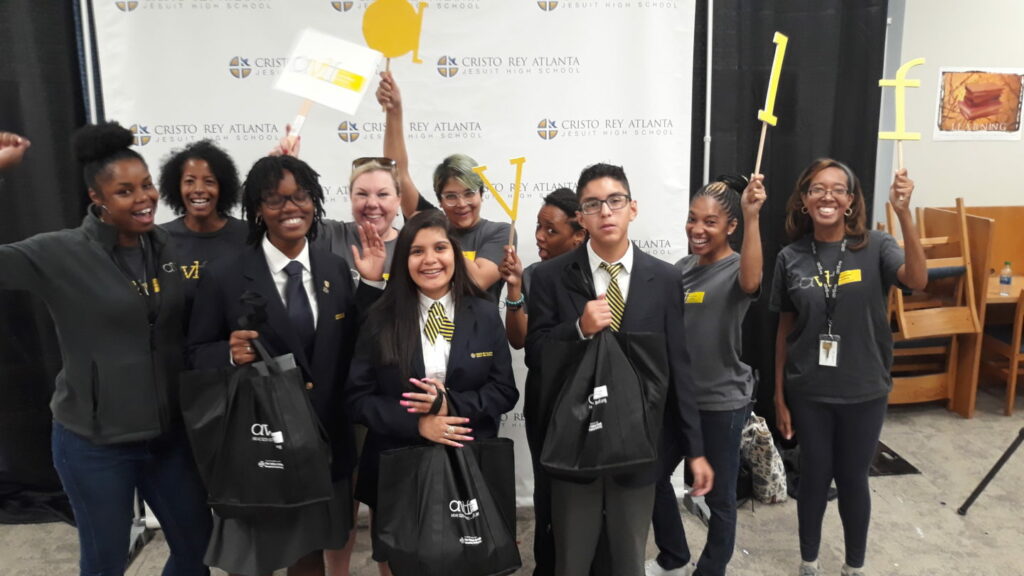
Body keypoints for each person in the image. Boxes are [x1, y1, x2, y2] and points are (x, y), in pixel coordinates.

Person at [0, 122, 211, 576]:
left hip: (166, 438)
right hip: (94, 444)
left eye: (147, 185)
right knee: (104, 564)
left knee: (197, 550)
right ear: (97, 199)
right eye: (124, 191)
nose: (144, 198)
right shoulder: (60, 254)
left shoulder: (165, 244)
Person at [187, 154, 386, 576]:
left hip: (324, 438)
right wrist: (227, 352)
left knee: (310, 553)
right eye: (275, 200)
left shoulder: (334, 267)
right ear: (258, 209)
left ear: (315, 201)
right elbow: (194, 353)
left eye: (300, 197)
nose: (291, 208)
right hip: (261, 443)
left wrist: (369, 283)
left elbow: (354, 346)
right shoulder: (225, 276)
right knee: (258, 555)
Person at [525, 163, 713, 576]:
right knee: (571, 560)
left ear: (633, 208)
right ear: (581, 217)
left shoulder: (663, 279)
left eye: (615, 201)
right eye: (593, 204)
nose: (605, 212)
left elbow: (678, 366)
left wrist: (695, 450)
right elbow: (534, 354)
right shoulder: (549, 277)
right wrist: (576, 329)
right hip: (575, 446)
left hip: (638, 446)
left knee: (628, 559)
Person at [770, 160, 926, 576]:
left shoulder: (876, 245)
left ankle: (854, 566)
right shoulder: (790, 257)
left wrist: (905, 214)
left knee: (854, 478)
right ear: (804, 200)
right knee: (815, 475)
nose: (828, 196)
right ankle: (809, 561)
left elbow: (917, 279)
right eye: (818, 189)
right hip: (809, 389)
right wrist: (779, 395)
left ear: (851, 201)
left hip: (864, 387)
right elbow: (785, 328)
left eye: (838, 189)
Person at [347, 209, 519, 575]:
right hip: (399, 468)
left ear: (454, 254)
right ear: (403, 258)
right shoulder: (380, 317)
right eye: (416, 251)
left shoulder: (485, 314)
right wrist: (418, 424)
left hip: (470, 463)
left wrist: (449, 404)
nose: (430, 260)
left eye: (440, 248)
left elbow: (505, 391)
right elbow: (357, 399)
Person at [646, 174, 766, 576]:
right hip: (678, 401)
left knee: (720, 499)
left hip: (721, 404)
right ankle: (674, 557)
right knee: (652, 477)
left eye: (710, 222)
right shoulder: (681, 268)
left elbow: (752, 281)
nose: (697, 229)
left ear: (730, 227)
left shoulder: (736, 268)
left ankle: (710, 570)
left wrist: (752, 216)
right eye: (692, 219)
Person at [496, 187, 585, 575]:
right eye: (538, 227)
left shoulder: (596, 274)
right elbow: (520, 340)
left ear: (578, 234)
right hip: (546, 398)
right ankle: (546, 565)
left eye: (550, 230)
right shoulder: (532, 275)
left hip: (591, 397)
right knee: (547, 488)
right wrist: (515, 290)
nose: (539, 237)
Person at [376, 70, 512, 297]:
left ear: (481, 194)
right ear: (439, 200)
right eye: (451, 196)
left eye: (469, 193)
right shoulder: (428, 219)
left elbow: (478, 280)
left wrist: (440, 235)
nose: (461, 203)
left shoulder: (500, 232)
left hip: (478, 329)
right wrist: (394, 110)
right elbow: (396, 171)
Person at [271, 131, 402, 281]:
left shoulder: (413, 245)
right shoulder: (328, 235)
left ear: (398, 199)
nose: (372, 203)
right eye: (362, 194)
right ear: (351, 197)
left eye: (382, 194)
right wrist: (283, 173)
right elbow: (278, 227)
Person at [158, 139, 247, 320]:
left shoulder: (247, 235)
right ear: (177, 187)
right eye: (189, 181)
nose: (198, 189)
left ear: (222, 187)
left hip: (233, 345)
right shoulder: (160, 239)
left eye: (209, 182)